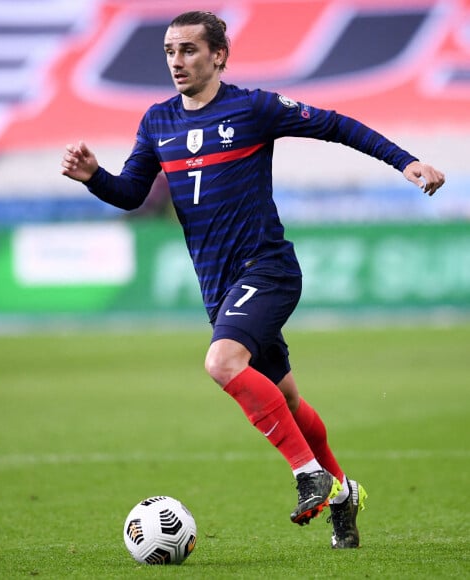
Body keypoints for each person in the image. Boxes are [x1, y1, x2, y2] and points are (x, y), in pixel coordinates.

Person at [61, 10, 445, 548]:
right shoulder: (158, 121)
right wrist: (94, 178)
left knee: (221, 363)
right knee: (285, 400)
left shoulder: (253, 107)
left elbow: (334, 124)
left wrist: (406, 162)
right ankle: (342, 495)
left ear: (218, 56)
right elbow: (131, 193)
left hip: (267, 269)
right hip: (218, 286)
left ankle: (308, 474)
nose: (177, 61)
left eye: (189, 50)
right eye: (170, 51)